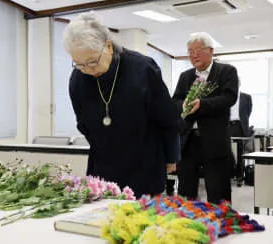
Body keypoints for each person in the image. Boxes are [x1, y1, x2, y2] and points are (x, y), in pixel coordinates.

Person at [64, 12, 180, 198]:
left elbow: (167, 116)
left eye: (92, 62)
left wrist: (171, 156)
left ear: (108, 46)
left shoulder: (142, 68)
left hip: (144, 161)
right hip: (103, 165)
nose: (87, 70)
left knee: (142, 221)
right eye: (79, 64)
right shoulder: (78, 78)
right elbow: (82, 122)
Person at [172, 32, 239, 204]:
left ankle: (221, 224)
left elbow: (229, 98)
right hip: (188, 142)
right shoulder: (185, 76)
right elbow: (176, 101)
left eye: (198, 50)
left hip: (214, 141)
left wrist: (202, 104)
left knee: (218, 192)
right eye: (190, 51)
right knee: (186, 192)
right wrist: (184, 104)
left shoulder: (226, 71)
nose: (193, 54)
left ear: (210, 51)